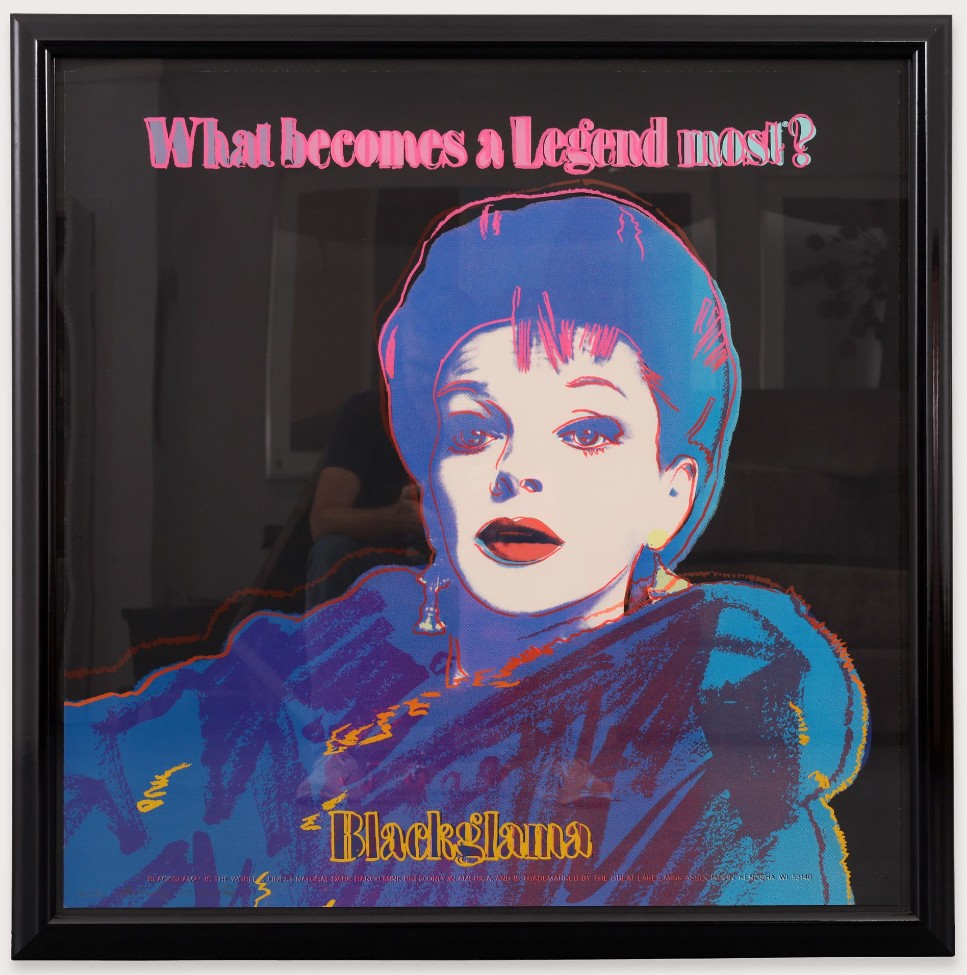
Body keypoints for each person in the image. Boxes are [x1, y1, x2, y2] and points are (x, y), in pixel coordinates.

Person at [64, 187, 867, 909]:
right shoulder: (348, 645)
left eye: (587, 431)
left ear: (673, 492)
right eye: (476, 429)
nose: (517, 470)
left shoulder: (725, 776)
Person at [304, 387, 429, 609]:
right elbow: (322, 520)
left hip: (457, 564)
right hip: (380, 559)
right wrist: (397, 518)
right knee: (331, 551)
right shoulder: (367, 411)